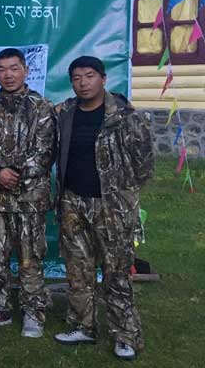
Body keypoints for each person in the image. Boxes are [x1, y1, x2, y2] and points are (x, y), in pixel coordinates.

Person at [53, 56, 153, 361]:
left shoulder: (124, 116)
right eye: (77, 78)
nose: (83, 83)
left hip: (111, 208)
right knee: (78, 270)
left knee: (116, 274)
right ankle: (83, 325)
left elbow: (144, 164)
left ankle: (126, 336)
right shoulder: (66, 113)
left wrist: (122, 196)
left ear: (103, 79)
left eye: (89, 76)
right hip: (73, 201)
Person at [0, 48, 55, 337]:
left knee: (30, 258)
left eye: (14, 68)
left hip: (30, 200)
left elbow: (44, 152)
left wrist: (14, 176)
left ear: (26, 70)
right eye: (2, 69)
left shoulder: (42, 108)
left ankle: (33, 312)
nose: (8, 74)